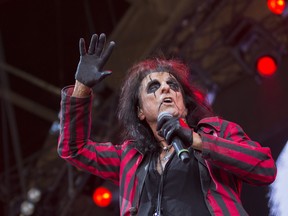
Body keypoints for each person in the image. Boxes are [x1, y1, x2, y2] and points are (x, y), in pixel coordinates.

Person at [58, 33, 277, 216]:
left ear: (184, 104)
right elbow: (74, 149)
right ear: (140, 111)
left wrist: (197, 141)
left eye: (173, 85)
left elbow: (264, 168)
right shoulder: (129, 158)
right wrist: (81, 87)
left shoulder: (217, 132)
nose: (166, 89)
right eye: (153, 87)